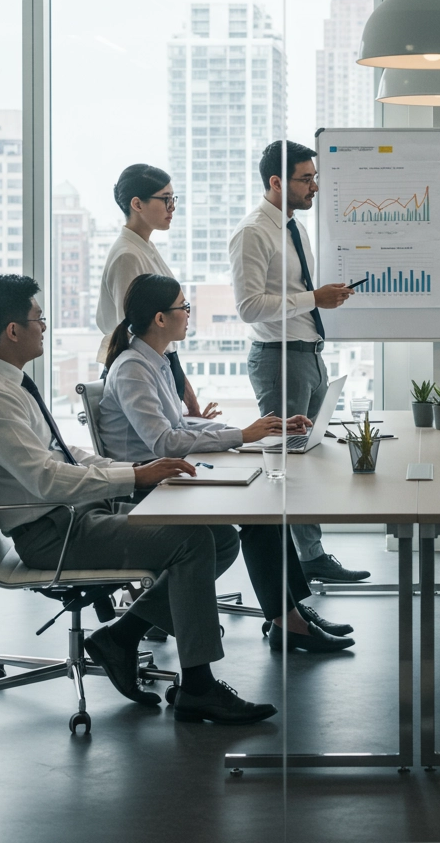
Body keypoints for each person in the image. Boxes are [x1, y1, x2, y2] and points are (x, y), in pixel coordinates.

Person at [0, 274, 276, 725]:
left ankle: (121, 637)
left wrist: (120, 471)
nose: (44, 327)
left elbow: (65, 454)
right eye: (38, 319)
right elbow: (45, 479)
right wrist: (134, 475)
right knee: (194, 542)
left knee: (220, 536)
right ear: (13, 330)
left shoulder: (9, 385)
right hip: (52, 533)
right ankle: (198, 688)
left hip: (75, 515)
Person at [99, 273, 356, 653]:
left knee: (263, 507)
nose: (189, 314)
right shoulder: (133, 368)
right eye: (184, 307)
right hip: (150, 485)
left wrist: (261, 428)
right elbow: (163, 441)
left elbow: (180, 424)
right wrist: (242, 436)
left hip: (174, 475)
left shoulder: (154, 360)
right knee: (252, 514)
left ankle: (289, 614)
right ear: (160, 319)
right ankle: (288, 619)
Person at [230, 139, 369, 584]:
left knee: (304, 463)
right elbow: (249, 306)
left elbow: (290, 295)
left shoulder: (294, 227)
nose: (314, 187)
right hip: (279, 360)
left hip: (307, 356)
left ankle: (309, 557)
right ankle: (294, 574)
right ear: (276, 182)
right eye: (305, 179)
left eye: (314, 177)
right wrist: (314, 297)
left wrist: (321, 298)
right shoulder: (253, 232)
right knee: (286, 466)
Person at [96, 164, 205, 418]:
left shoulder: (145, 248)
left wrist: (188, 398)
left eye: (173, 198)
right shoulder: (128, 256)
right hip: (140, 374)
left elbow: (163, 343)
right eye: (165, 199)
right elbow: (140, 335)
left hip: (158, 370)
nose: (172, 207)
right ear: (137, 204)